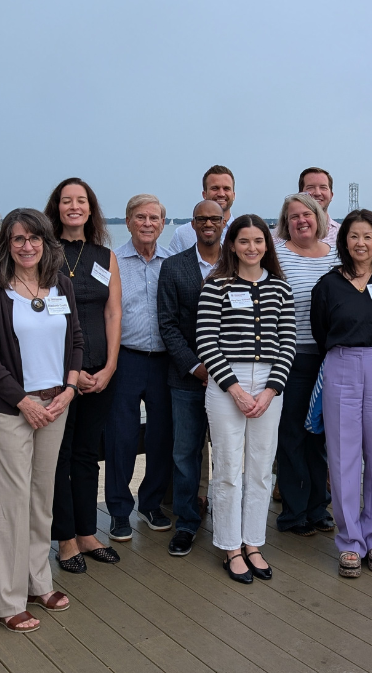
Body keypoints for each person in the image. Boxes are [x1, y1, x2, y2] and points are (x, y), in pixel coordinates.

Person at [0, 207, 82, 632]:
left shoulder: (61, 285)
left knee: (42, 499)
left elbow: (75, 341)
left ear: (46, 241)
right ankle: (8, 600)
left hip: (56, 406)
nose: (26, 246)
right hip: (12, 412)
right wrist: (23, 401)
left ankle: (39, 581)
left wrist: (70, 389)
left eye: (33, 238)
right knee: (12, 505)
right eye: (17, 239)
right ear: (6, 244)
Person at [196, 215, 296, 583]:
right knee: (226, 470)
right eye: (244, 241)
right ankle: (230, 547)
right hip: (227, 385)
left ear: (266, 246)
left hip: (269, 383)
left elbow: (288, 343)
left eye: (258, 241)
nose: (252, 248)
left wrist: (270, 390)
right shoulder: (215, 286)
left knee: (260, 469)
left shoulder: (280, 289)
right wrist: (235, 389)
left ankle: (253, 542)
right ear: (232, 245)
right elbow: (206, 341)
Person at [311, 209, 372, 578]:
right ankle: (350, 539)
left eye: (368, 236)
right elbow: (321, 331)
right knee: (342, 454)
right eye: (354, 236)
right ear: (344, 240)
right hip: (341, 364)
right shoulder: (328, 284)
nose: (361, 243)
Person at [44, 178, 123, 572]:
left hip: (100, 372)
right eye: (66, 200)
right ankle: (65, 539)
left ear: (90, 209)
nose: (73, 206)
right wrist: (71, 376)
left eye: (81, 201)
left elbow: (113, 312)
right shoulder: (42, 253)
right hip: (57, 374)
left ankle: (89, 531)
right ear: (56, 207)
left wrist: (109, 366)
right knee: (59, 455)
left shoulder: (104, 256)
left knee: (88, 453)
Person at [158, 199, 224, 557]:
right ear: (193, 224)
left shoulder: (238, 262)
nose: (209, 224)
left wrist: (222, 370)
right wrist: (198, 368)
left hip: (231, 381)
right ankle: (186, 522)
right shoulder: (174, 267)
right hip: (187, 379)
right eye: (202, 219)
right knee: (185, 453)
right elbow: (167, 325)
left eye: (215, 218)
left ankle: (232, 521)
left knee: (230, 454)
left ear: (224, 220)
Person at [106, 194, 174, 541]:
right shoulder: (112, 260)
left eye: (155, 218)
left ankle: (150, 504)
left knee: (163, 435)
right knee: (122, 436)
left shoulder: (174, 261)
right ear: (128, 221)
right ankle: (118, 510)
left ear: (163, 224)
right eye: (141, 217)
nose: (148, 224)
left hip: (165, 361)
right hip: (126, 358)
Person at [273, 193, 338, 537]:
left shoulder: (336, 256)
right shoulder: (277, 255)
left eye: (307, 214)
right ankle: (294, 513)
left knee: (321, 436)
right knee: (293, 435)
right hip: (292, 357)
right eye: (294, 216)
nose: (301, 220)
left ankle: (319, 508)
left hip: (331, 359)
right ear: (287, 222)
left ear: (318, 218)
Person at [168, 165, 236, 254]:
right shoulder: (182, 234)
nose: (221, 194)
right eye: (215, 188)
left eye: (226, 189)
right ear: (204, 194)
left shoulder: (243, 231)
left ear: (233, 195)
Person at [299, 167, 340, 245]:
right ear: (300, 195)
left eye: (323, 188)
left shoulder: (343, 234)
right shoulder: (279, 237)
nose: (317, 193)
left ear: (331, 195)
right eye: (310, 187)